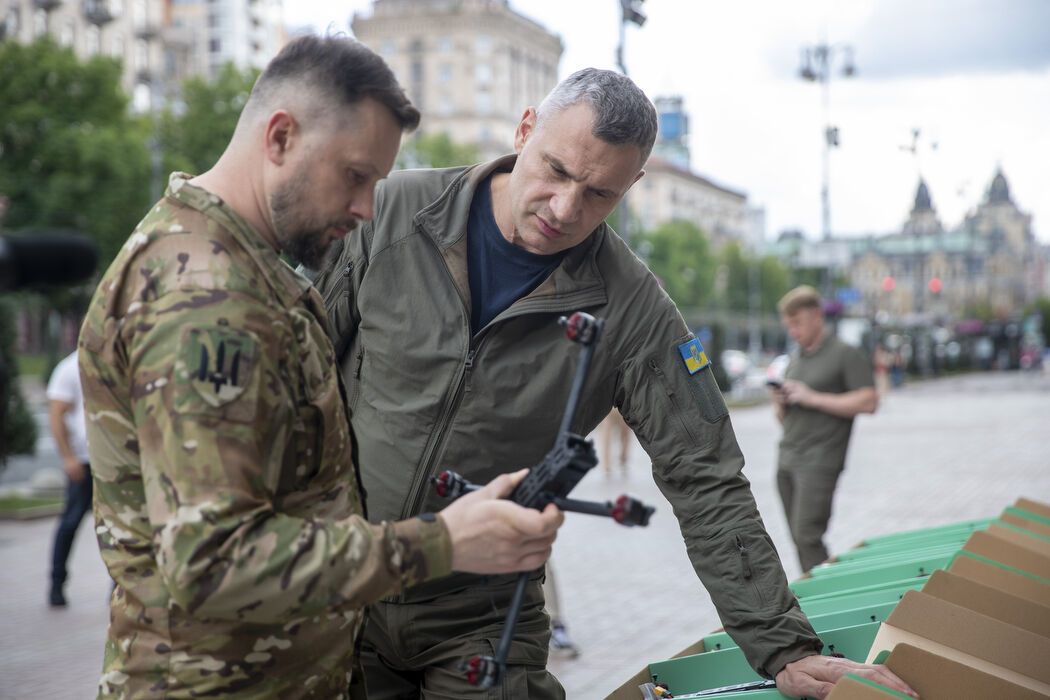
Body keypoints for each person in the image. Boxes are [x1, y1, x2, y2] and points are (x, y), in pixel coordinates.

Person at [313, 69, 913, 699]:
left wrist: (783, 646)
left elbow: (705, 476)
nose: (566, 209)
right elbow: (296, 382)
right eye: (556, 171)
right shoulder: (390, 215)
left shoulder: (633, 311)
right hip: (342, 577)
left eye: (600, 194)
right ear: (524, 130)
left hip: (481, 615)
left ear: (633, 186)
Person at [77, 35, 563, 699]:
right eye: (355, 177)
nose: (366, 210)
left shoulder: (248, 268)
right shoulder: (205, 300)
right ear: (279, 138)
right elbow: (213, 562)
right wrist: (441, 542)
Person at [771, 286, 879, 573]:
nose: (793, 331)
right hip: (788, 457)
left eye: (798, 323)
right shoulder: (797, 359)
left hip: (820, 460)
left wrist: (812, 397)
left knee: (808, 535)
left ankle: (823, 598)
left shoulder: (845, 353)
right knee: (799, 537)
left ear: (817, 316)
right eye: (788, 325)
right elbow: (787, 419)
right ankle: (817, 589)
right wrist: (781, 402)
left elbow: (869, 400)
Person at [46, 350, 91, 608]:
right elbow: (56, 414)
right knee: (70, 522)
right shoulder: (70, 367)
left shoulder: (118, 360)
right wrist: (69, 457)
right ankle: (56, 583)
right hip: (83, 461)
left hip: (116, 463)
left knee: (120, 529)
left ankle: (118, 590)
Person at [599, 407, 632, 475]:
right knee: (622, 432)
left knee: (623, 432)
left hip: (615, 406)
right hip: (617, 406)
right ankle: (609, 462)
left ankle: (621, 458)